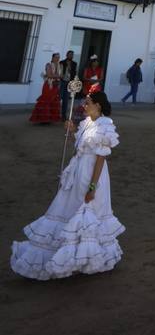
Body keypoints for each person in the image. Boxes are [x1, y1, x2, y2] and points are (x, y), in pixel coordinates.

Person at [12, 90, 124, 280]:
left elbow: (100, 159)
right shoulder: (86, 123)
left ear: (98, 105)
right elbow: (82, 147)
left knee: (87, 212)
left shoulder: (104, 126)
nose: (84, 106)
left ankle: (86, 257)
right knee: (67, 210)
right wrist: (72, 132)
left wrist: (92, 187)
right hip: (78, 171)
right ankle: (69, 255)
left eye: (88, 103)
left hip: (91, 175)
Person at [29, 53, 62, 125]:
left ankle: (49, 119)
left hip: (55, 86)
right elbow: (49, 75)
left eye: (58, 58)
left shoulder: (59, 66)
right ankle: (42, 119)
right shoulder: (48, 65)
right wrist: (57, 76)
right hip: (49, 85)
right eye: (56, 57)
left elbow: (60, 76)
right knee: (46, 100)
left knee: (53, 100)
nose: (57, 59)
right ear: (52, 58)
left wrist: (57, 76)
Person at [59, 51, 78, 120]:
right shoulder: (62, 62)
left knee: (66, 100)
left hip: (69, 83)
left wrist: (70, 70)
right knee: (58, 98)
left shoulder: (74, 64)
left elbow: (74, 73)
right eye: (69, 55)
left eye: (72, 55)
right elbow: (59, 72)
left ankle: (63, 116)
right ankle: (56, 115)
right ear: (66, 55)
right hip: (62, 82)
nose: (70, 56)